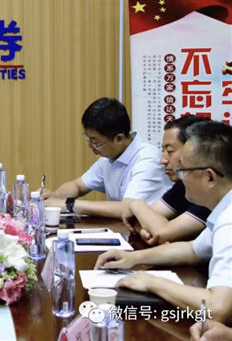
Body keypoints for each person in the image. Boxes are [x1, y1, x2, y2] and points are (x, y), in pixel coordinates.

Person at [94, 121, 232, 321]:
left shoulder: (229, 221)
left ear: (210, 177)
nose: (179, 176)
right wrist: (133, 258)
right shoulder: (223, 210)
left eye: (183, 169)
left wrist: (152, 283)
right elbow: (193, 251)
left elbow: (218, 308)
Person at [44, 97, 171, 218]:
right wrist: (53, 197)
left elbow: (127, 209)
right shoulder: (109, 158)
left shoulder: (148, 160)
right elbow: (78, 186)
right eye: (88, 139)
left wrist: (70, 205)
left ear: (119, 138)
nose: (90, 146)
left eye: (95, 142)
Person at [122, 115, 210, 245]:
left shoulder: (212, 191)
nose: (163, 160)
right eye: (163, 151)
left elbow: (162, 232)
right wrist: (145, 230)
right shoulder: (183, 184)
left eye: (170, 151)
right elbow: (138, 220)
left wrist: (135, 204)